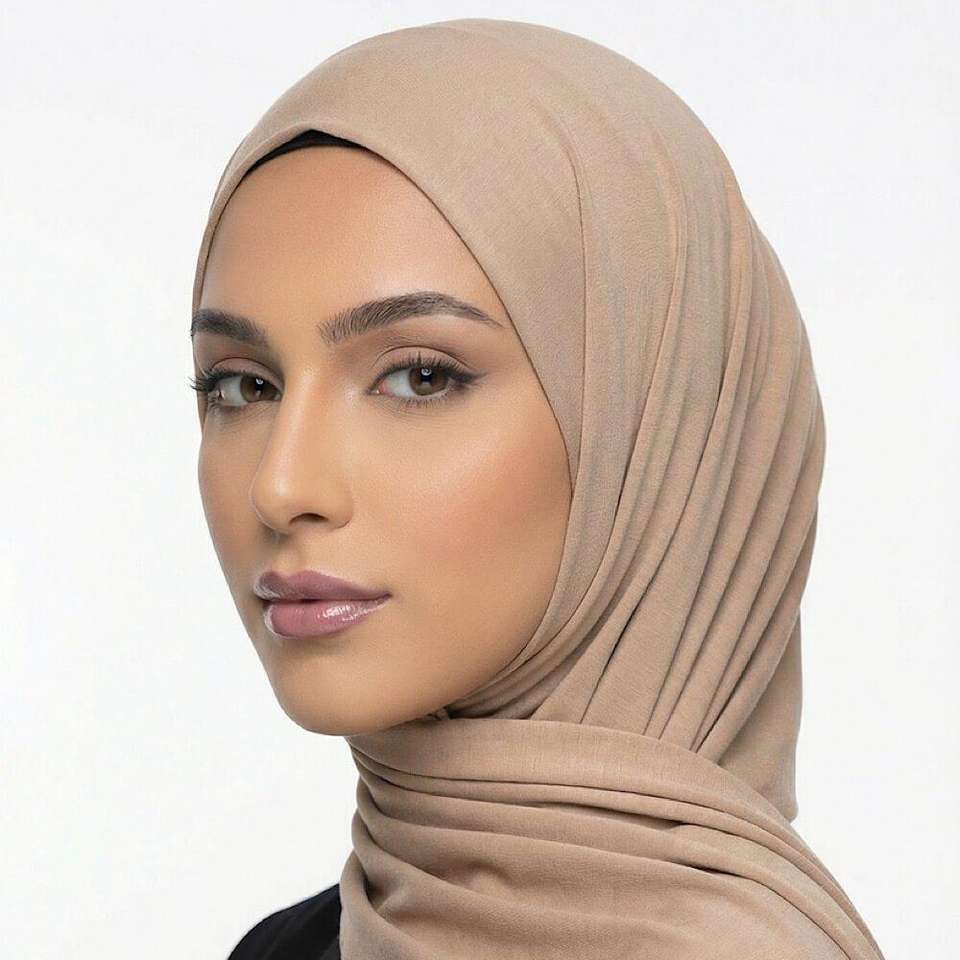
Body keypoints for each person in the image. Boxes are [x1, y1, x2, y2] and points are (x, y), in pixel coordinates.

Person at [190, 17, 887, 960]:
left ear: (649, 426)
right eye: (241, 386)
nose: (281, 486)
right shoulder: (293, 948)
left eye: (421, 376)